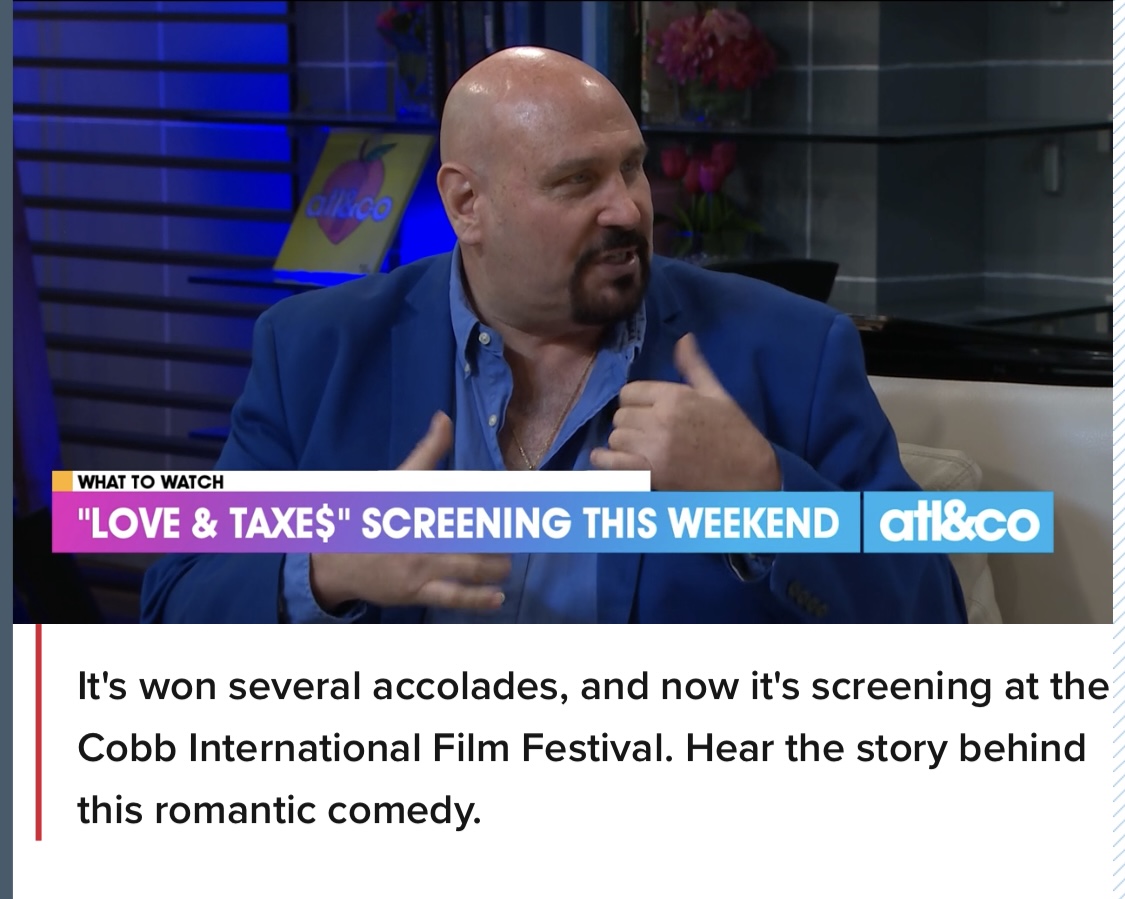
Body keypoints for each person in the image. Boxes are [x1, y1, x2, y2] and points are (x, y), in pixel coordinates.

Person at [141, 47, 965, 624]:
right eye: (576, 181)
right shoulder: (315, 350)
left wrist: (765, 497)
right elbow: (177, 603)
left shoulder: (791, 351)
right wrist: (330, 567)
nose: (627, 208)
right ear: (466, 204)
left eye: (631, 168)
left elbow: (931, 625)